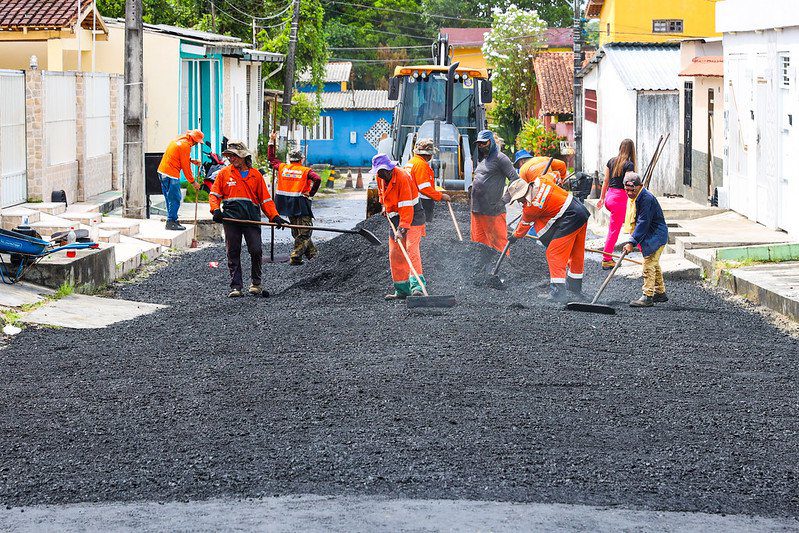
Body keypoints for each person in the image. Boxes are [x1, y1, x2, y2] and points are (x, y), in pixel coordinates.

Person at [209, 140, 288, 298]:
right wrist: (216, 210)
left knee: (256, 250)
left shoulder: (255, 175)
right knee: (233, 251)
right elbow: (214, 195)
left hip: (251, 218)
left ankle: (256, 284)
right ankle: (236, 287)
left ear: (244, 157)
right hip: (231, 219)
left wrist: (275, 216)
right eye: (230, 156)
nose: (232, 159)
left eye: (235, 156)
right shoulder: (224, 174)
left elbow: (265, 200)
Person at [505, 172, 590, 302]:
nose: (520, 202)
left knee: (553, 253)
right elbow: (555, 174)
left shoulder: (531, 208)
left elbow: (524, 225)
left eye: (519, 199)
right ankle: (574, 289)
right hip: (581, 211)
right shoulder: (542, 179)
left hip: (570, 217)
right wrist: (559, 182)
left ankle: (557, 294)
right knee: (576, 253)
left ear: (523, 195)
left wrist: (515, 236)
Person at [371, 153, 428, 300]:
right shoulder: (380, 177)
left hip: (414, 215)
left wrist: (402, 229)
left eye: (385, 170)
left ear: (390, 168)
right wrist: (384, 205)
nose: (383, 173)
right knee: (395, 253)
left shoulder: (402, 177)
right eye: (380, 171)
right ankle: (402, 290)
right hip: (395, 217)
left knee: (411, 248)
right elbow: (381, 194)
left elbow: (406, 207)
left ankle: (418, 287)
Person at [267, 132, 322, 265]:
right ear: (301, 159)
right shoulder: (305, 170)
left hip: (286, 204)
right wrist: (311, 193)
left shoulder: (282, 167)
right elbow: (318, 179)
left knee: (297, 230)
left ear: (290, 159)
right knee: (305, 230)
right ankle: (296, 255)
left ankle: (312, 254)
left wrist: (271, 141)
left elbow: (272, 159)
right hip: (300, 203)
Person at [621, 173, 669, 308]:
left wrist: (632, 242)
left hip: (656, 236)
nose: (629, 193)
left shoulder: (645, 198)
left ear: (640, 186)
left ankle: (648, 296)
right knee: (654, 263)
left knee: (648, 264)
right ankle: (660, 293)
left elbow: (643, 222)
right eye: (627, 190)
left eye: (632, 189)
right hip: (652, 235)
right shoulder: (638, 197)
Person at [471, 129, 518, 252]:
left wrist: (504, 200)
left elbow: (515, 179)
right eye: (479, 144)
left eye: (484, 143)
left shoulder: (501, 158)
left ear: (491, 142)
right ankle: (482, 270)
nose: (481, 146)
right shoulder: (483, 160)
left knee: (499, 244)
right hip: (477, 209)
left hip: (493, 210)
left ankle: (504, 269)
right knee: (478, 244)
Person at [598, 139, 637, 270]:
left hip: (610, 197)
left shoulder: (611, 161)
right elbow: (628, 183)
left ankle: (642, 249)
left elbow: (606, 181)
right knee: (615, 230)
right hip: (620, 199)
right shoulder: (629, 165)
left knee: (632, 222)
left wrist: (601, 198)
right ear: (632, 150)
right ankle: (606, 259)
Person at [157, 129, 204, 230]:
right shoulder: (185, 146)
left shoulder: (180, 139)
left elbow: (180, 156)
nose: (196, 144)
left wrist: (192, 160)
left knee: (169, 198)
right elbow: (185, 167)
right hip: (171, 173)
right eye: (197, 142)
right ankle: (171, 222)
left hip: (162, 171)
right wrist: (193, 182)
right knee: (175, 198)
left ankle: (172, 219)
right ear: (194, 140)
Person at [403, 138, 451, 221]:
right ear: (428, 155)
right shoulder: (421, 165)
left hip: (410, 199)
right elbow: (424, 188)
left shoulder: (411, 162)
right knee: (422, 226)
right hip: (421, 202)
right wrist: (441, 196)